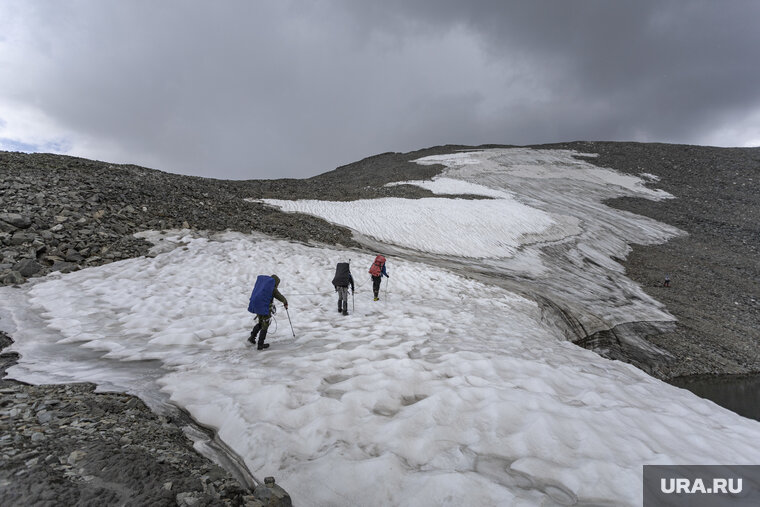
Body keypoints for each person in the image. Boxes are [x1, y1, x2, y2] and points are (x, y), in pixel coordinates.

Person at [248, 274, 288, 350]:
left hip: (257, 305)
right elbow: (279, 296)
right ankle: (260, 344)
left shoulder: (263, 286)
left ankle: (252, 338)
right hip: (264, 307)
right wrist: (285, 302)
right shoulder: (272, 288)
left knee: (260, 322)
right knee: (265, 325)